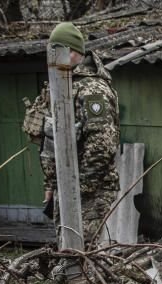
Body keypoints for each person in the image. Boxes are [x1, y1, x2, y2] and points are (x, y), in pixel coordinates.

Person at [22, 22, 119, 245]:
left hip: (88, 188)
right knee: (66, 245)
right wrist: (52, 184)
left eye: (56, 51)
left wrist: (77, 190)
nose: (52, 58)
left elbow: (101, 146)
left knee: (79, 249)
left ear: (72, 52)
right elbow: (51, 140)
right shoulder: (62, 84)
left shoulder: (92, 89)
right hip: (65, 186)